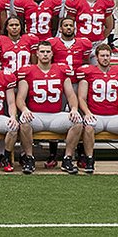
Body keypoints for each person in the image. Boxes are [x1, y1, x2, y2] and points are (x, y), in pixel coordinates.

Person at [16, 41, 83, 174]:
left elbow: (71, 95)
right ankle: (29, 158)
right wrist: (24, 109)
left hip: (56, 115)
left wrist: (74, 109)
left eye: (48, 52)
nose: (45, 54)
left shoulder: (61, 70)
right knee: (24, 121)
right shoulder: (28, 71)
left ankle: (67, 158)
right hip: (36, 115)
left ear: (52, 54)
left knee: (78, 121)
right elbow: (20, 98)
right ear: (37, 54)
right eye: (42, 52)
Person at [76, 44, 118, 174]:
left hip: (114, 116)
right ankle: (89, 159)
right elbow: (81, 98)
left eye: (107, 55)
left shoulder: (116, 72)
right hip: (96, 115)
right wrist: (87, 113)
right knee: (88, 127)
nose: (105, 58)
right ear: (97, 57)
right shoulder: (88, 72)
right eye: (102, 56)